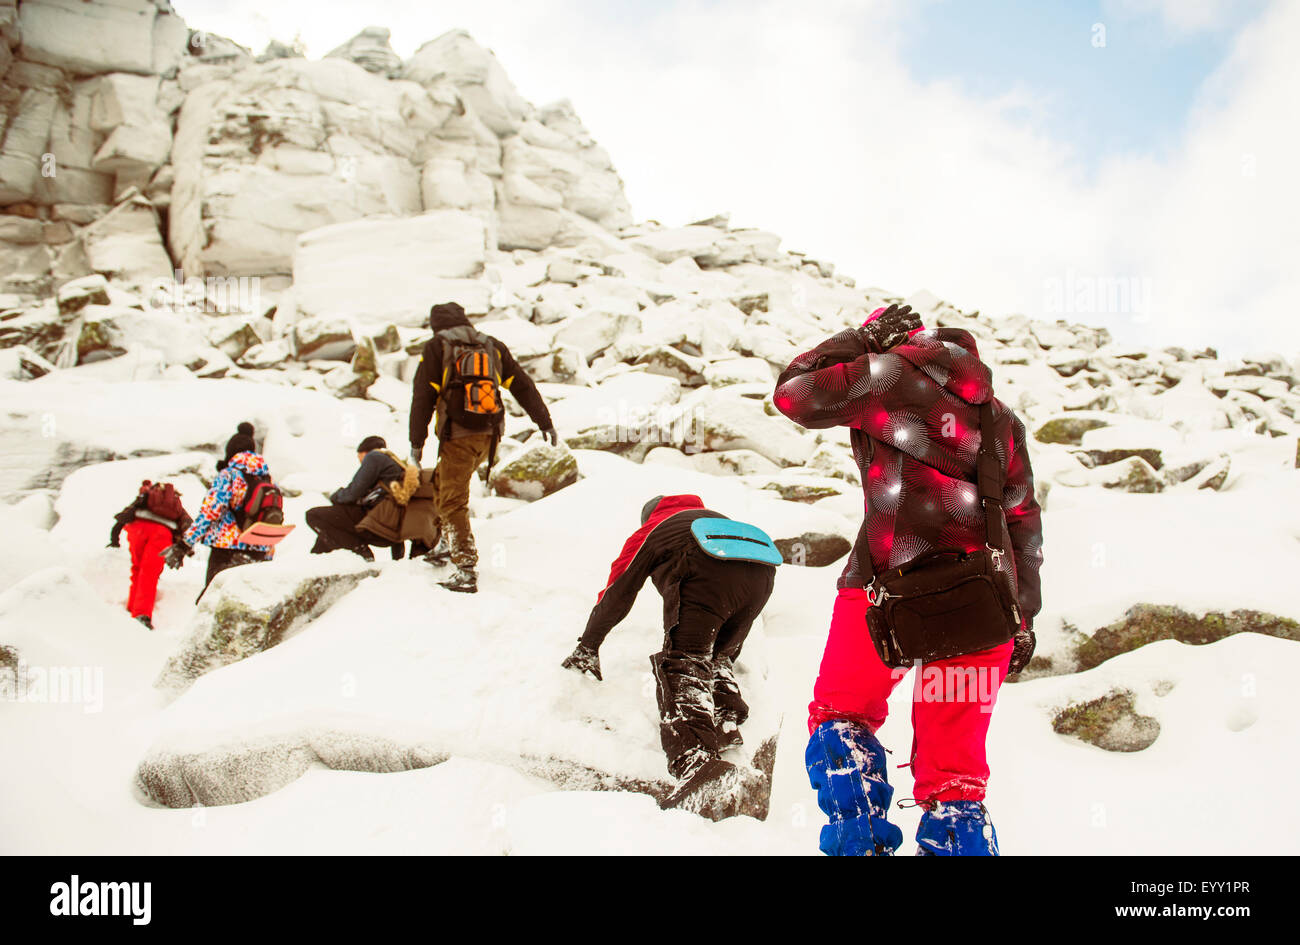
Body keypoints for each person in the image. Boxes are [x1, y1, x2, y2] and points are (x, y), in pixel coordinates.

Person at [773, 303, 1043, 857]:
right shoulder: (1001, 419)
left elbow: (793, 394)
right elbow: (1022, 522)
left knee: (842, 719)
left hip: (883, 587)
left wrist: (860, 338)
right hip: (983, 604)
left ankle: (861, 843)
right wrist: (1023, 616)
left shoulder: (885, 375)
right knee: (955, 775)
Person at [561, 495, 777, 789]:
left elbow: (619, 590)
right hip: (761, 574)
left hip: (707, 568)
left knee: (685, 662)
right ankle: (724, 718)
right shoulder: (712, 518)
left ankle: (698, 764)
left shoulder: (653, 528)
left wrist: (589, 644)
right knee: (716, 657)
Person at [409, 301, 558, 594]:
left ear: (436, 325)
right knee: (443, 482)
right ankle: (444, 544)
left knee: (453, 500)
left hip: (459, 435)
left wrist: (416, 443)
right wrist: (544, 422)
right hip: (490, 435)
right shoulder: (492, 346)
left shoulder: (437, 347)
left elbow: (422, 397)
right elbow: (522, 385)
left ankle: (465, 569)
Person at [162, 421, 275, 599]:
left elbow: (210, 512)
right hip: (259, 550)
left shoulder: (229, 475)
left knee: (211, 602)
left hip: (227, 551)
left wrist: (184, 544)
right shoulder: (267, 478)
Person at [305, 436, 413, 561]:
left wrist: (336, 496)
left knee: (313, 515)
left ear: (364, 452)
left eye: (359, 457)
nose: (360, 461)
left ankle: (361, 551)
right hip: (391, 530)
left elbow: (352, 493)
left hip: (374, 525)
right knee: (333, 522)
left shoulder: (374, 457)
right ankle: (316, 558)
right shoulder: (395, 463)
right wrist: (398, 560)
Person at [108, 480, 192, 629]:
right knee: (150, 573)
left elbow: (127, 513)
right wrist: (186, 548)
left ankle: (132, 608)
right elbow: (187, 523)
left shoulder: (145, 496)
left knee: (137, 568)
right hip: (162, 534)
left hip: (137, 529)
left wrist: (114, 538)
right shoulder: (175, 504)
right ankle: (142, 614)